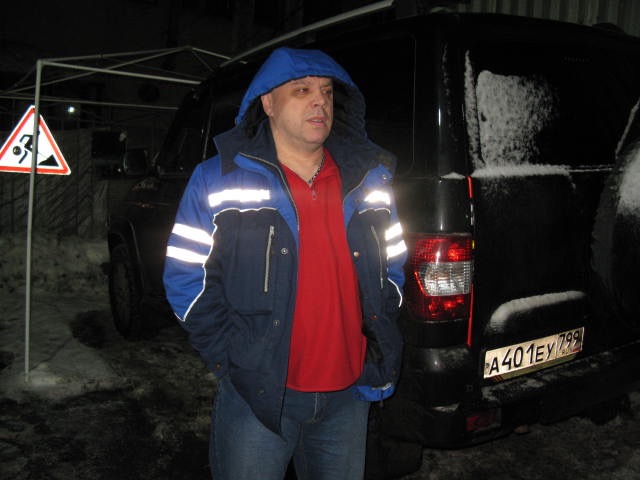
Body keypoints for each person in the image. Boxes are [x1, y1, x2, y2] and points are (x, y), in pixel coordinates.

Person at [163, 46, 407, 480]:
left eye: (327, 91)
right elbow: (186, 278)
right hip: (258, 394)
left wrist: (378, 326)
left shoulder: (370, 178)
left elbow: (393, 264)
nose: (320, 102)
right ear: (268, 103)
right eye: (302, 90)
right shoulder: (217, 179)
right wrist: (230, 357)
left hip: (348, 394)